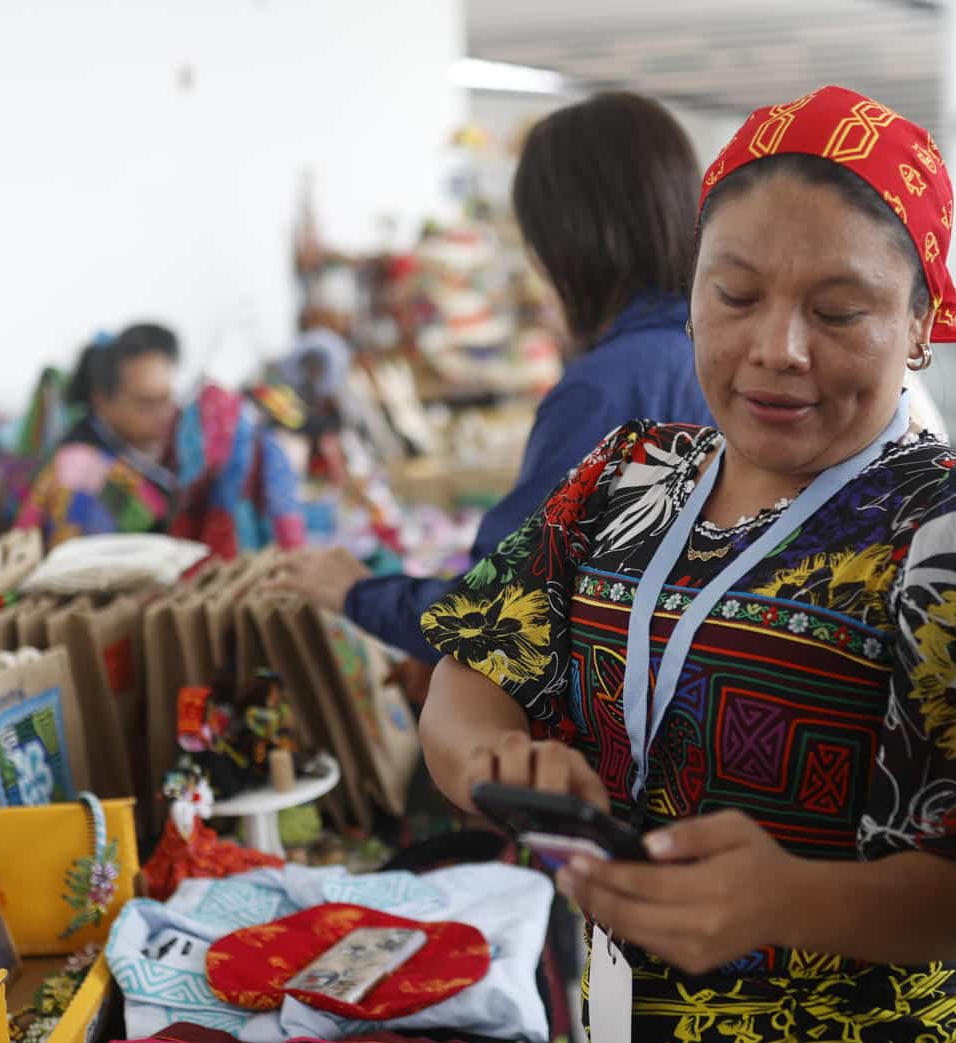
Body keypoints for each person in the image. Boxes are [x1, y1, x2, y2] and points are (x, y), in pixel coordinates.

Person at [419, 85, 956, 1043]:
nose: (775, 348)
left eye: (839, 310)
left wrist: (787, 900)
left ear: (921, 323)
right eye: (734, 294)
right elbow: (468, 672)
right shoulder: (627, 476)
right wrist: (503, 767)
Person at [269, 92, 711, 665]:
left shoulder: (607, 386)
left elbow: (501, 611)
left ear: (569, 243)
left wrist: (355, 592)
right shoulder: (706, 351)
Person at [15, 323, 183, 547]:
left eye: (167, 398)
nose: (165, 414)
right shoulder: (81, 473)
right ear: (102, 401)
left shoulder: (154, 444)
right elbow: (78, 571)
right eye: (146, 404)